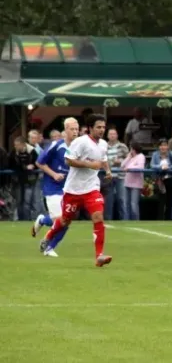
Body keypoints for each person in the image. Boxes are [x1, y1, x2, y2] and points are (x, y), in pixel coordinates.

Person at [40, 114, 113, 267]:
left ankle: (99, 256)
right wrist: (89, 164)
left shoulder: (103, 144)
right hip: (73, 190)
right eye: (98, 127)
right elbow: (69, 160)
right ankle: (50, 234)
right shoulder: (81, 142)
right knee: (65, 220)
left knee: (98, 217)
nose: (101, 130)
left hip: (91, 188)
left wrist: (107, 171)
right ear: (90, 128)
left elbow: (103, 158)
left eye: (103, 127)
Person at [32, 117, 79, 257]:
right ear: (65, 130)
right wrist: (53, 174)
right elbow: (39, 162)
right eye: (72, 129)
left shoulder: (79, 146)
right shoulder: (56, 145)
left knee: (66, 221)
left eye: (77, 129)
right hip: (53, 187)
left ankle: (49, 244)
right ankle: (48, 246)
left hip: (69, 189)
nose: (75, 132)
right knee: (60, 219)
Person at [150, 139, 172, 220]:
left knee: (170, 201)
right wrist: (161, 167)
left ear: (167, 146)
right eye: (161, 145)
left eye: (165, 145)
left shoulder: (171, 154)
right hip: (160, 180)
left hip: (171, 178)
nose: (163, 147)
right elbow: (152, 165)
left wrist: (168, 167)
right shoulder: (155, 154)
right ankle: (160, 219)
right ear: (159, 147)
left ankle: (168, 219)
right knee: (161, 201)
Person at [121, 142, 146, 220]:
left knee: (133, 204)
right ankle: (126, 221)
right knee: (126, 204)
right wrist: (128, 157)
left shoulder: (141, 156)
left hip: (136, 184)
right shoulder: (130, 157)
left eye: (131, 148)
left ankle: (135, 221)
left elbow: (140, 167)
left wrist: (129, 168)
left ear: (134, 149)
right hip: (127, 182)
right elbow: (122, 165)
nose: (130, 150)